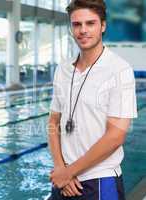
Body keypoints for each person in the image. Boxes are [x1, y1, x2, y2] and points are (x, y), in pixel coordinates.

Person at [47, 0, 137, 199]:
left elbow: (115, 137)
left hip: (100, 180)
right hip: (65, 181)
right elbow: (53, 122)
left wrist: (68, 173)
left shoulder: (119, 70)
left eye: (90, 23)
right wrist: (61, 168)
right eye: (76, 24)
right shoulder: (63, 69)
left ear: (103, 26)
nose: (83, 30)